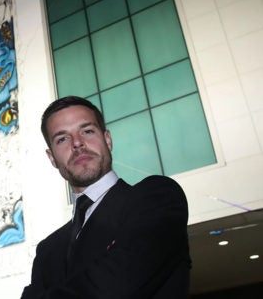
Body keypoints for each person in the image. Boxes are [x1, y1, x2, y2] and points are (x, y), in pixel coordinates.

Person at [21, 96, 191, 298]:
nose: (77, 143)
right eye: (62, 139)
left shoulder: (158, 198)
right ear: (52, 158)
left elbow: (116, 285)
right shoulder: (47, 251)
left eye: (87, 131)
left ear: (107, 139)